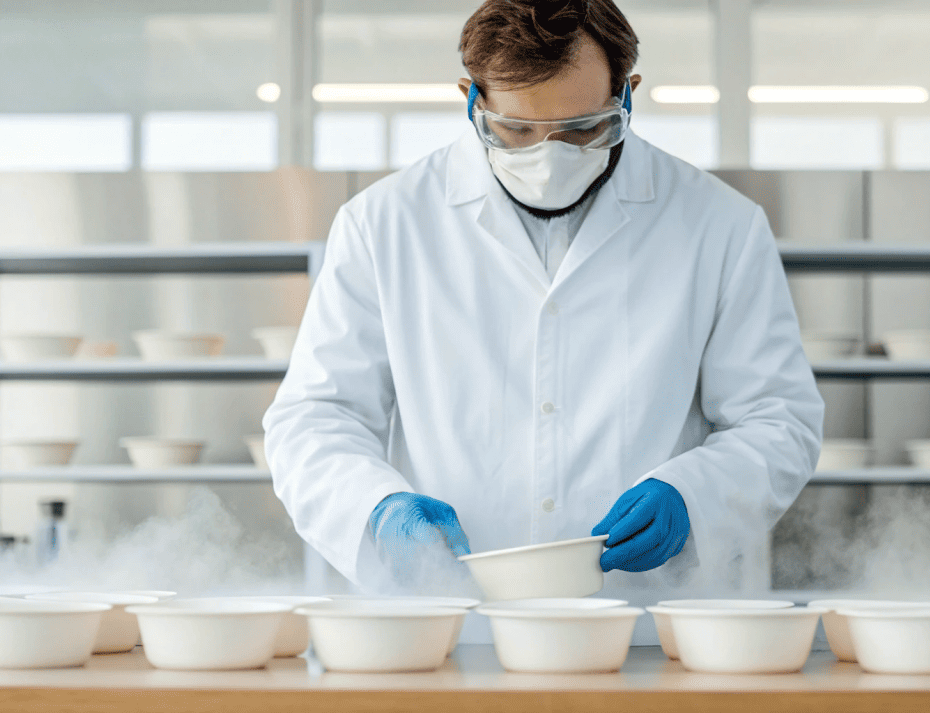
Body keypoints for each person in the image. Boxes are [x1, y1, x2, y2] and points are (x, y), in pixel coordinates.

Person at [263, 0, 823, 628]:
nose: (550, 156)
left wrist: (694, 496)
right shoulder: (384, 225)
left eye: (584, 128)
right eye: (517, 130)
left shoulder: (718, 225)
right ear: (471, 98)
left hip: (646, 629)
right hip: (451, 630)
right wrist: (377, 508)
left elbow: (779, 418)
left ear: (628, 95)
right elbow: (316, 418)